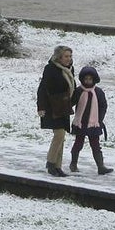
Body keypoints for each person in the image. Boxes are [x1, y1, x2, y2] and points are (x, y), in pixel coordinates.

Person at [36, 44, 76, 177]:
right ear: (59, 57)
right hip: (52, 106)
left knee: (62, 137)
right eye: (66, 56)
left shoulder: (69, 69)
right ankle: (51, 163)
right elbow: (42, 88)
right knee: (59, 135)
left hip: (64, 106)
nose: (68, 59)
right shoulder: (50, 69)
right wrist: (41, 107)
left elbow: (71, 88)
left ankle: (57, 166)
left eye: (70, 56)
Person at [70, 65, 113, 174]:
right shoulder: (79, 91)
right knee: (78, 144)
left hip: (94, 123)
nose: (88, 81)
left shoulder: (98, 92)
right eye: (86, 79)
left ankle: (100, 166)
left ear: (94, 79)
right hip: (81, 123)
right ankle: (73, 164)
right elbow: (71, 102)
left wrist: (99, 119)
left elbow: (103, 106)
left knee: (95, 145)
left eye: (90, 79)